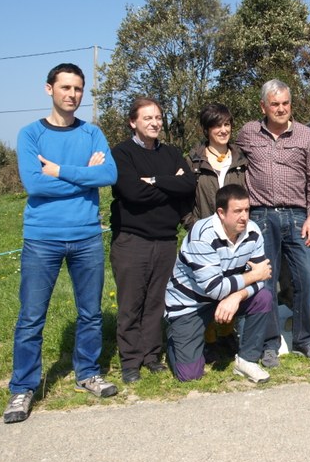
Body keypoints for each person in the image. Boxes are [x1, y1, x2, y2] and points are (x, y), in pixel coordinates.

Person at [4, 63, 118, 424]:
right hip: (42, 239)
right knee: (31, 317)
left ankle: (88, 372)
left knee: (91, 313)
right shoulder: (30, 134)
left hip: (87, 236)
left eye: (78, 88)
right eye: (66, 87)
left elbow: (109, 174)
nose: (72, 94)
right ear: (49, 89)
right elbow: (35, 184)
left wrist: (60, 170)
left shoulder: (92, 133)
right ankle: (22, 387)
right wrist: (85, 175)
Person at [236, 79, 310, 367]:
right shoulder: (248, 132)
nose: (281, 108)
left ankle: (303, 339)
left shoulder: (305, 135)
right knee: (265, 281)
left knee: (306, 277)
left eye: (285, 103)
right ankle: (269, 344)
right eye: (274, 104)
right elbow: (224, 154)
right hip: (261, 216)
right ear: (263, 106)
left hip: (298, 216)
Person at [110, 98, 196, 384]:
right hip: (132, 240)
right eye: (147, 118)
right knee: (131, 303)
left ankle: (151, 356)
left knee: (157, 302)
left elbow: (189, 185)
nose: (155, 123)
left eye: (158, 117)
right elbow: (132, 192)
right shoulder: (122, 153)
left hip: (166, 240)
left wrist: (154, 180)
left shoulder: (171, 153)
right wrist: (170, 183)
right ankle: (130, 361)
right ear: (132, 122)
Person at [165, 184, 274, 382]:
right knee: (190, 376)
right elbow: (215, 288)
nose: (244, 216)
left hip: (225, 294)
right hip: (190, 303)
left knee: (264, 297)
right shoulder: (202, 235)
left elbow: (263, 276)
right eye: (238, 211)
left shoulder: (253, 231)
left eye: (247, 210)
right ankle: (175, 335)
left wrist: (237, 296)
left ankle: (247, 360)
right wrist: (252, 276)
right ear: (221, 213)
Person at [183, 103, 248, 361]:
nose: (223, 130)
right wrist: (192, 225)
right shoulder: (193, 161)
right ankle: (208, 339)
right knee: (206, 287)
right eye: (217, 125)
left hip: (235, 236)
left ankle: (227, 334)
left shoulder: (241, 159)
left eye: (227, 124)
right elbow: (183, 198)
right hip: (205, 236)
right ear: (206, 129)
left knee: (231, 283)